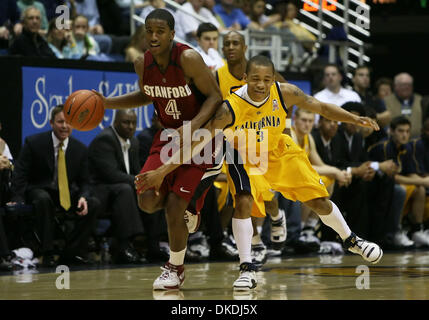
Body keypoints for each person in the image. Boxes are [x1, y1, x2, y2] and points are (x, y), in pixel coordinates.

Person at [138, 55, 383, 291]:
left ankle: (352, 240)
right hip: (242, 155)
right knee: (243, 202)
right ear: (245, 78)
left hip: (278, 151)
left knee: (318, 200)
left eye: (267, 79)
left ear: (273, 79)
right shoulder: (229, 109)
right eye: (255, 79)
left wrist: (353, 118)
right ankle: (246, 268)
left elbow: (320, 107)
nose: (261, 84)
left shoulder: (285, 92)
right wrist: (162, 171)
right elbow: (196, 144)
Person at [93, 9, 223, 290]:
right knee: (147, 200)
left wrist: (192, 127)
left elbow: (215, 96)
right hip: (166, 136)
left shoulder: (188, 58)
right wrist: (107, 102)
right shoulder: (142, 63)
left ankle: (175, 267)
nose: (153, 36)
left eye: (160, 31)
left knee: (174, 205)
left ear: (172, 34)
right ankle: (189, 204)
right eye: (149, 31)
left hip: (200, 137)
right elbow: (146, 94)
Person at [216, 31, 287, 267]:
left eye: (236, 43)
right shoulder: (217, 75)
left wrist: (282, 125)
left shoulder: (262, 70)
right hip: (235, 143)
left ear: (245, 47)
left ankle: (277, 217)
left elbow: (285, 95)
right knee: (245, 196)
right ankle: (255, 243)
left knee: (268, 196)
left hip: (263, 136)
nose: (231, 47)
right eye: (227, 44)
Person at [9, 105, 100, 267]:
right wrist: (17, 197)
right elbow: (20, 173)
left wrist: (83, 197)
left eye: (68, 122)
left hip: (66, 193)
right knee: (42, 199)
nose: (64, 126)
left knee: (93, 203)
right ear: (51, 123)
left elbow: (86, 181)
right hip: (40, 189)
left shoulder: (80, 149)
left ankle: (71, 252)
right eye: (60, 122)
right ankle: (48, 252)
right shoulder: (34, 143)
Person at [88, 109, 147, 264]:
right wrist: (139, 181)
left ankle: (152, 244)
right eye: (126, 122)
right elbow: (111, 175)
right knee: (125, 190)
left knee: (150, 191)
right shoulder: (105, 139)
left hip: (120, 190)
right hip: (100, 191)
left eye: (133, 123)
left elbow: (137, 171)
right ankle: (124, 246)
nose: (130, 126)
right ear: (115, 122)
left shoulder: (134, 142)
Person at [368, 116, 429, 247]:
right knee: (401, 190)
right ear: (391, 131)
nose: (404, 135)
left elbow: (411, 173)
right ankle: (395, 231)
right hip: (377, 185)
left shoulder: (406, 148)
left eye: (407, 131)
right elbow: (391, 177)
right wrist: (424, 181)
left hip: (395, 183)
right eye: (401, 131)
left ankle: (417, 230)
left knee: (420, 189)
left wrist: (422, 181)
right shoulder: (384, 147)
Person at [384, 73, 425, 138]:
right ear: (395, 86)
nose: (406, 87)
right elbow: (383, 124)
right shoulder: (385, 101)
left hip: (418, 142)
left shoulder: (421, 100)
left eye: (409, 84)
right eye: (402, 84)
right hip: (394, 143)